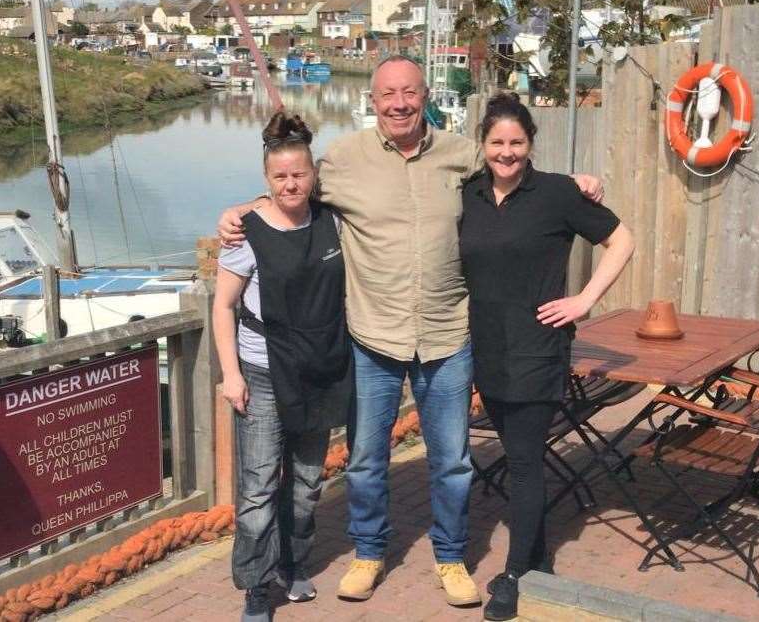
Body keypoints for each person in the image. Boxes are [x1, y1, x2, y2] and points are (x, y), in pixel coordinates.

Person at [217, 56, 604, 610]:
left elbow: (514, 165)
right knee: (366, 460)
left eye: (409, 93)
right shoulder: (344, 160)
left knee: (452, 461)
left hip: (448, 335)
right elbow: (290, 186)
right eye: (388, 94)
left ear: (425, 96)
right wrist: (243, 209)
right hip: (373, 337)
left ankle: (451, 558)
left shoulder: (461, 155)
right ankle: (369, 552)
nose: (399, 103)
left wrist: (576, 183)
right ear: (373, 101)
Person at [459, 94, 634, 622]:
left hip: (538, 348)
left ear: (530, 143)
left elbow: (622, 239)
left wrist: (585, 300)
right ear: (483, 145)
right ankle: (534, 559)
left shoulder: (557, 193)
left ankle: (514, 575)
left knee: (524, 463)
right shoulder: (467, 195)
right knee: (515, 457)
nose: (506, 153)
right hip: (487, 349)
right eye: (497, 143)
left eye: (516, 142)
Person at [212, 112, 353, 622]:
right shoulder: (245, 232)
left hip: (320, 371)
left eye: (300, 174)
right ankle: (255, 584)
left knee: (307, 480)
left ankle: (292, 564)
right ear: (267, 181)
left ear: (314, 175)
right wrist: (231, 374)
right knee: (257, 488)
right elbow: (223, 306)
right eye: (280, 176)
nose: (291, 184)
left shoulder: (333, 219)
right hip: (263, 372)